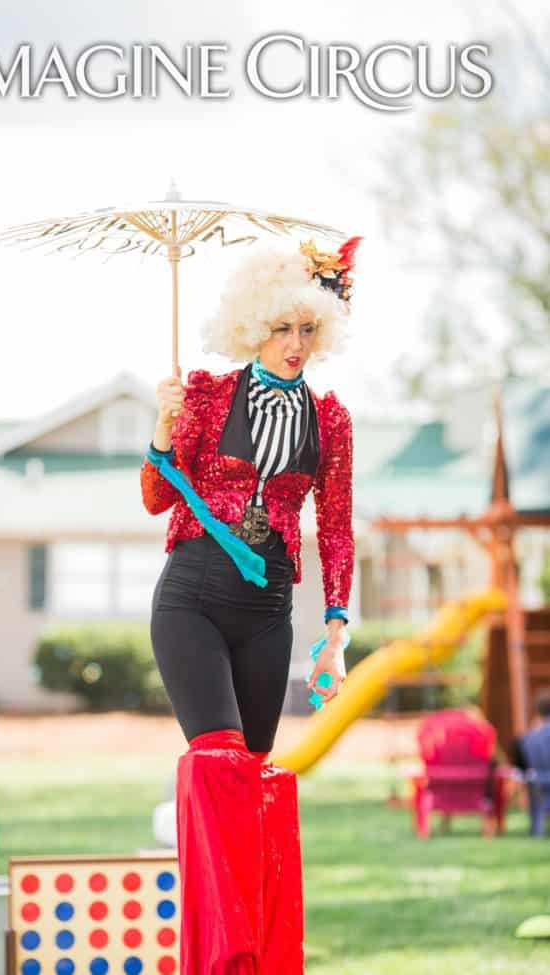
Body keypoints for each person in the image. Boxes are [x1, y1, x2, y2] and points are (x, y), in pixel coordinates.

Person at [140, 236, 359, 974]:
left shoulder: (330, 419)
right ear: (250, 325)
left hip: (268, 606)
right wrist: (163, 427)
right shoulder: (204, 392)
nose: (294, 344)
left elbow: (334, 525)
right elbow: (156, 496)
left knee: (259, 786)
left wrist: (336, 624)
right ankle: (220, 955)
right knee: (221, 765)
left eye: (307, 329)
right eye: (280, 327)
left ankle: (263, 954)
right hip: (194, 593)